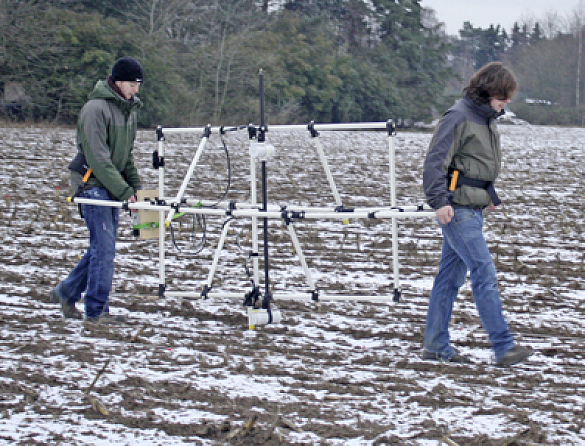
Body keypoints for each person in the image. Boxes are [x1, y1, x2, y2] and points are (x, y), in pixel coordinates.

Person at [422, 62, 532, 367]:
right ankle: (503, 346)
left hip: (473, 208)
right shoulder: (459, 116)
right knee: (484, 271)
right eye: (503, 95)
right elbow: (435, 162)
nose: (507, 102)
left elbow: (474, 165)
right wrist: (438, 201)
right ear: (488, 91)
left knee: (449, 278)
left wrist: (488, 194)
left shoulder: (486, 119)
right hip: (456, 211)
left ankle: (434, 345)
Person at [50, 56, 144, 323]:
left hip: (110, 184)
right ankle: (97, 312)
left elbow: (125, 157)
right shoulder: (95, 109)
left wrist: (136, 187)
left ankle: (66, 292)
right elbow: (99, 159)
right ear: (116, 82)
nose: (135, 90)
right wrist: (126, 192)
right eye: (131, 84)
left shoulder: (129, 110)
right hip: (91, 183)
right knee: (104, 248)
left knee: (101, 246)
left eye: (138, 85)